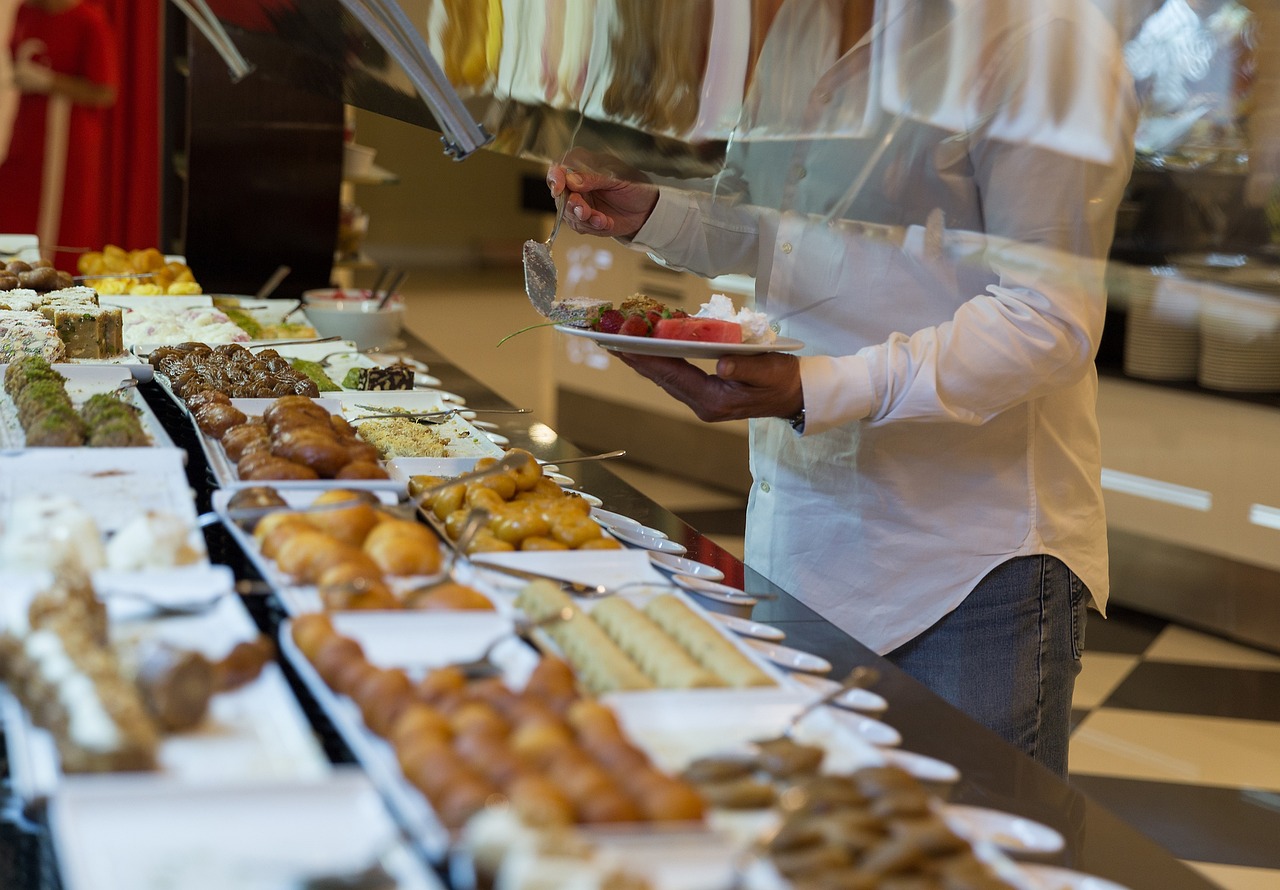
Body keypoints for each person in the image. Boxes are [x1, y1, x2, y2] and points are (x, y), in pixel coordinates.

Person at [548, 0, 1138, 777]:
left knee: (962, 856)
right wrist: (652, 213)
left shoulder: (1041, 34)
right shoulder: (800, 25)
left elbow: (1047, 320)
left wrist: (817, 390)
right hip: (801, 535)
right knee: (826, 842)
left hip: (967, 568)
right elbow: (776, 229)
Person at [0, 0, 117, 266]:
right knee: (13, 212)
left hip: (65, 138)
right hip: (25, 131)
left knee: (61, 222)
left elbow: (104, 92)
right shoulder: (26, 12)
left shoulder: (89, 21)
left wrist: (49, 81)